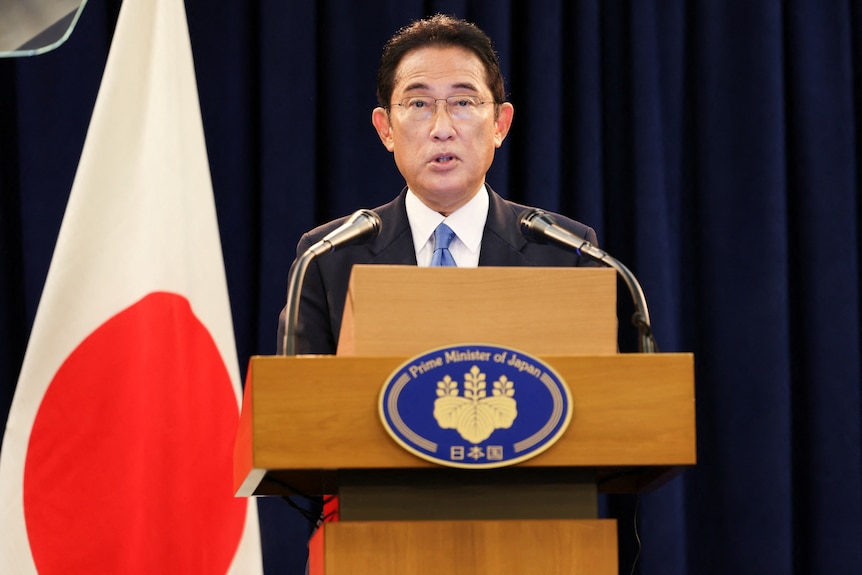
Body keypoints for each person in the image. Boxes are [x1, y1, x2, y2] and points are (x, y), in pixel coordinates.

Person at [279, 14, 599, 355]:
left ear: (500, 125)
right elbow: (298, 401)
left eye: (463, 102)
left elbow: (600, 397)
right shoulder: (328, 258)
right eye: (419, 104)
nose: (442, 128)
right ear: (385, 128)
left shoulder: (568, 254)